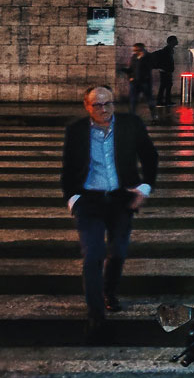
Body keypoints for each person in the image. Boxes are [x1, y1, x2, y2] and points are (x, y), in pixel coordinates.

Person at [62, 86, 157, 341]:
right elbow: (69, 168)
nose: (104, 110)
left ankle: (108, 291)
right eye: (97, 105)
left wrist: (144, 188)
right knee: (93, 256)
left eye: (108, 104)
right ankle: (96, 316)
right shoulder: (76, 131)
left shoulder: (130, 125)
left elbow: (150, 156)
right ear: (87, 106)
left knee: (118, 253)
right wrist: (73, 200)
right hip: (89, 202)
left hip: (120, 199)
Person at [125, 43, 157, 121]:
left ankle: (154, 115)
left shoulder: (148, 57)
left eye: (136, 50)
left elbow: (150, 67)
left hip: (145, 82)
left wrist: (142, 58)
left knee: (149, 99)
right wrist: (130, 77)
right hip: (134, 82)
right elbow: (130, 68)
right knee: (133, 100)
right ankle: (132, 116)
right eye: (134, 50)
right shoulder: (134, 57)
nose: (135, 52)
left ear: (141, 49)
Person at [152, 35, 177, 106]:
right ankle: (162, 101)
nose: (177, 41)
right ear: (172, 41)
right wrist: (165, 68)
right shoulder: (167, 50)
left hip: (166, 70)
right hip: (165, 71)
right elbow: (166, 60)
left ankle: (166, 101)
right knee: (164, 86)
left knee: (167, 86)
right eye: (175, 40)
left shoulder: (170, 49)